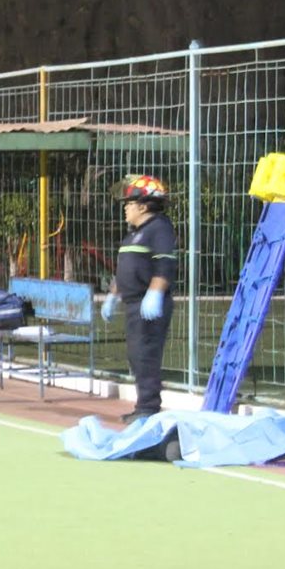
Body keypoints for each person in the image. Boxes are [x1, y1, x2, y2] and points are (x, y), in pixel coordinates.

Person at [100, 175, 177, 424]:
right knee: (136, 355)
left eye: (129, 203)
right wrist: (112, 296)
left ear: (143, 206)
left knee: (146, 355)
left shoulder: (159, 228)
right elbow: (124, 269)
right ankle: (143, 405)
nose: (125, 207)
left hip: (149, 305)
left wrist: (154, 294)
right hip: (133, 304)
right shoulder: (134, 234)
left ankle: (149, 408)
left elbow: (164, 265)